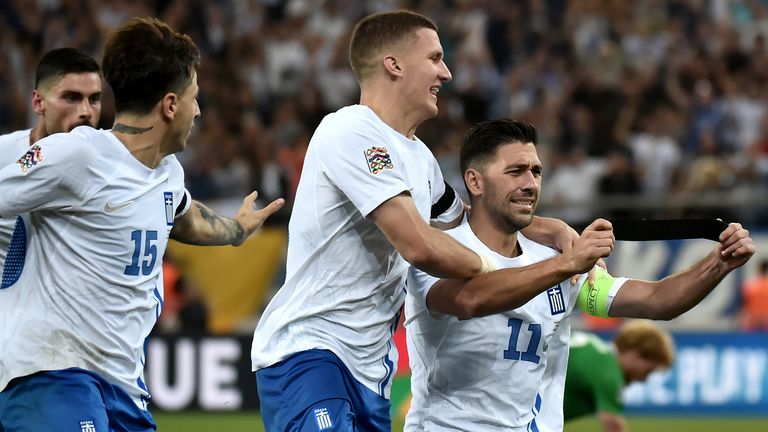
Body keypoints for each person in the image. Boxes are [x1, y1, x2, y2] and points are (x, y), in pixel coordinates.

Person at [251, 11, 580, 432]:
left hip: (370, 368)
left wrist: (551, 230)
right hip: (311, 350)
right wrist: (501, 271)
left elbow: (472, 218)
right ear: (394, 64)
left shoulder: (419, 159)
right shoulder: (350, 130)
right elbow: (420, 245)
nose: (446, 72)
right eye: (435, 58)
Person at [0, 17, 284, 431]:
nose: (199, 110)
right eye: (195, 98)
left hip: (122, 386)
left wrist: (236, 230)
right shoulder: (76, 154)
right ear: (170, 105)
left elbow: (187, 221)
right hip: (53, 372)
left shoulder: (167, 173)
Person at [404, 118, 755, 432]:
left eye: (536, 171)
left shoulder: (555, 256)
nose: (530, 183)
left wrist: (718, 263)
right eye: (515, 172)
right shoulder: (437, 251)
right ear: (475, 182)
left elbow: (656, 301)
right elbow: (471, 299)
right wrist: (567, 263)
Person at [0, 47, 102, 275]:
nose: (86, 111)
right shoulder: (4, 154)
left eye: (94, 99)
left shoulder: (107, 169)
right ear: (38, 102)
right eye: (72, 98)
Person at [564, 320, 675, 432]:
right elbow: (614, 426)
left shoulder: (595, 351)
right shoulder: (608, 372)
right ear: (636, 355)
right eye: (648, 371)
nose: (644, 380)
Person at [740, 258, 768, 330]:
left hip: (753, 319)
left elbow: (744, 303)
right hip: (766, 319)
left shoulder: (750, 285)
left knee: (749, 340)